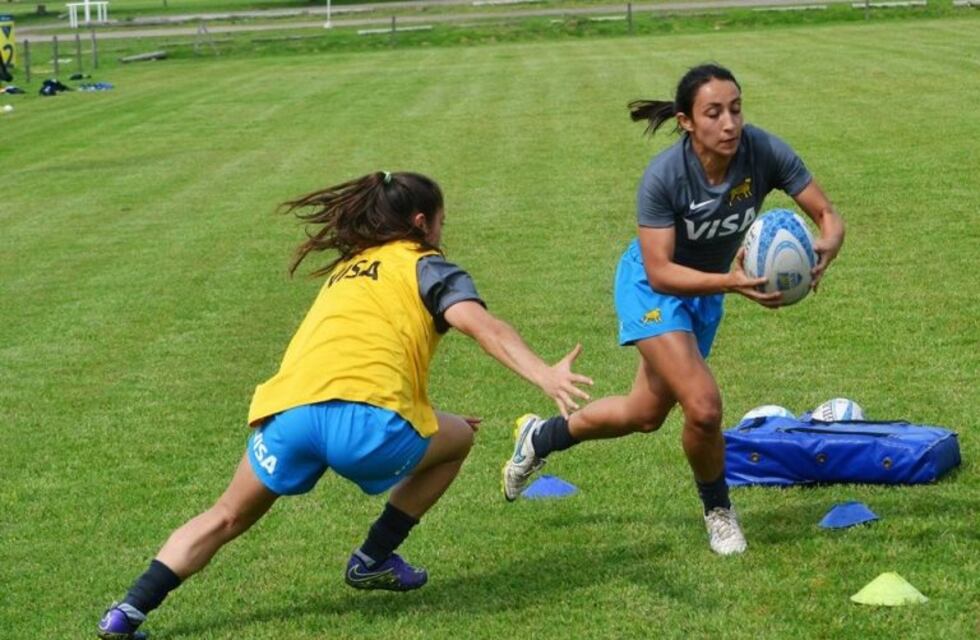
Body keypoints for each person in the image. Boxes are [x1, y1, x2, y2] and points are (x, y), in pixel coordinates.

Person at [97, 171, 593, 639]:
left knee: (225, 516)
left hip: (289, 416)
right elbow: (480, 324)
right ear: (421, 223)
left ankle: (127, 610)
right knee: (459, 438)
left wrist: (423, 418)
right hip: (366, 428)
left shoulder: (346, 269)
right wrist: (543, 373)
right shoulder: (426, 264)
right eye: (443, 219)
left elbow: (354, 356)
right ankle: (374, 558)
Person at [502, 63, 845, 555]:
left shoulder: (763, 150)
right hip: (651, 288)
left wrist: (828, 244)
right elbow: (661, 270)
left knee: (644, 414)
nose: (729, 123)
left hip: (705, 292)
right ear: (687, 121)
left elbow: (826, 214)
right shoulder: (665, 176)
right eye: (714, 113)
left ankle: (542, 437)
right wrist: (730, 281)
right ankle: (719, 510)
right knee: (703, 407)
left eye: (736, 109)